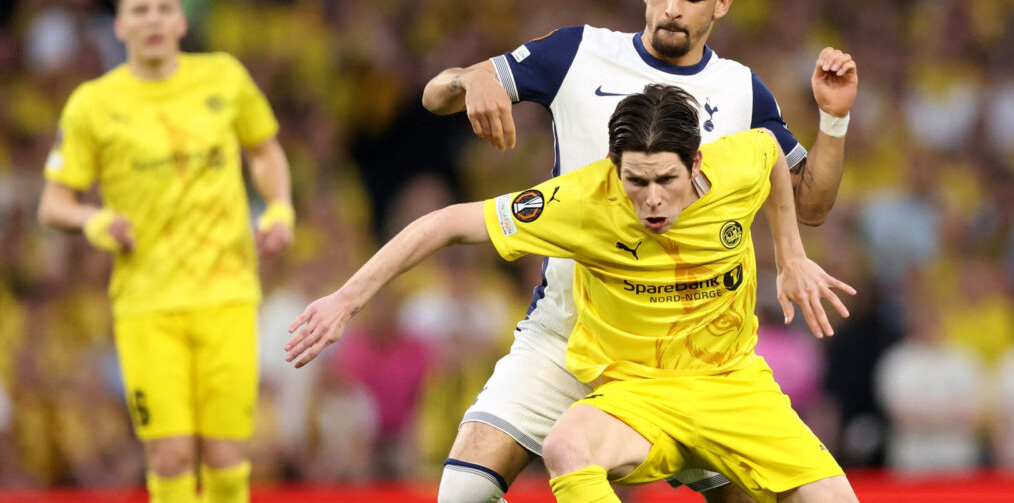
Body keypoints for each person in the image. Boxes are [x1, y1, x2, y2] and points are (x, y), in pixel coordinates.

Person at [421, 0, 858, 502]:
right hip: (562, 334)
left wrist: (832, 121)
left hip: (677, 357)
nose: (672, 9)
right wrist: (469, 77)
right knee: (460, 496)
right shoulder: (578, 52)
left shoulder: (739, 90)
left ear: (721, 4)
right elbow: (434, 96)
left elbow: (810, 203)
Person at [286, 84, 859, 502]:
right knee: (565, 445)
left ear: (697, 162)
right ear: (615, 167)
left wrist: (791, 254)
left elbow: (772, 160)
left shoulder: (742, 158)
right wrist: (346, 298)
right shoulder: (582, 202)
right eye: (636, 181)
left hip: (734, 387)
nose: (652, 199)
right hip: (638, 395)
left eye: (666, 180)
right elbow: (446, 223)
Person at [38, 0, 294, 503]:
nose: (152, 20)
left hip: (227, 293)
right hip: (147, 305)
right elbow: (53, 204)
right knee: (171, 456)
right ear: (119, 25)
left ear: (180, 20)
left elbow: (265, 148)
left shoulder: (224, 77)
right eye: (139, 10)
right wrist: (94, 219)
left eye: (162, 9)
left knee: (227, 459)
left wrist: (279, 207)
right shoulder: (93, 104)